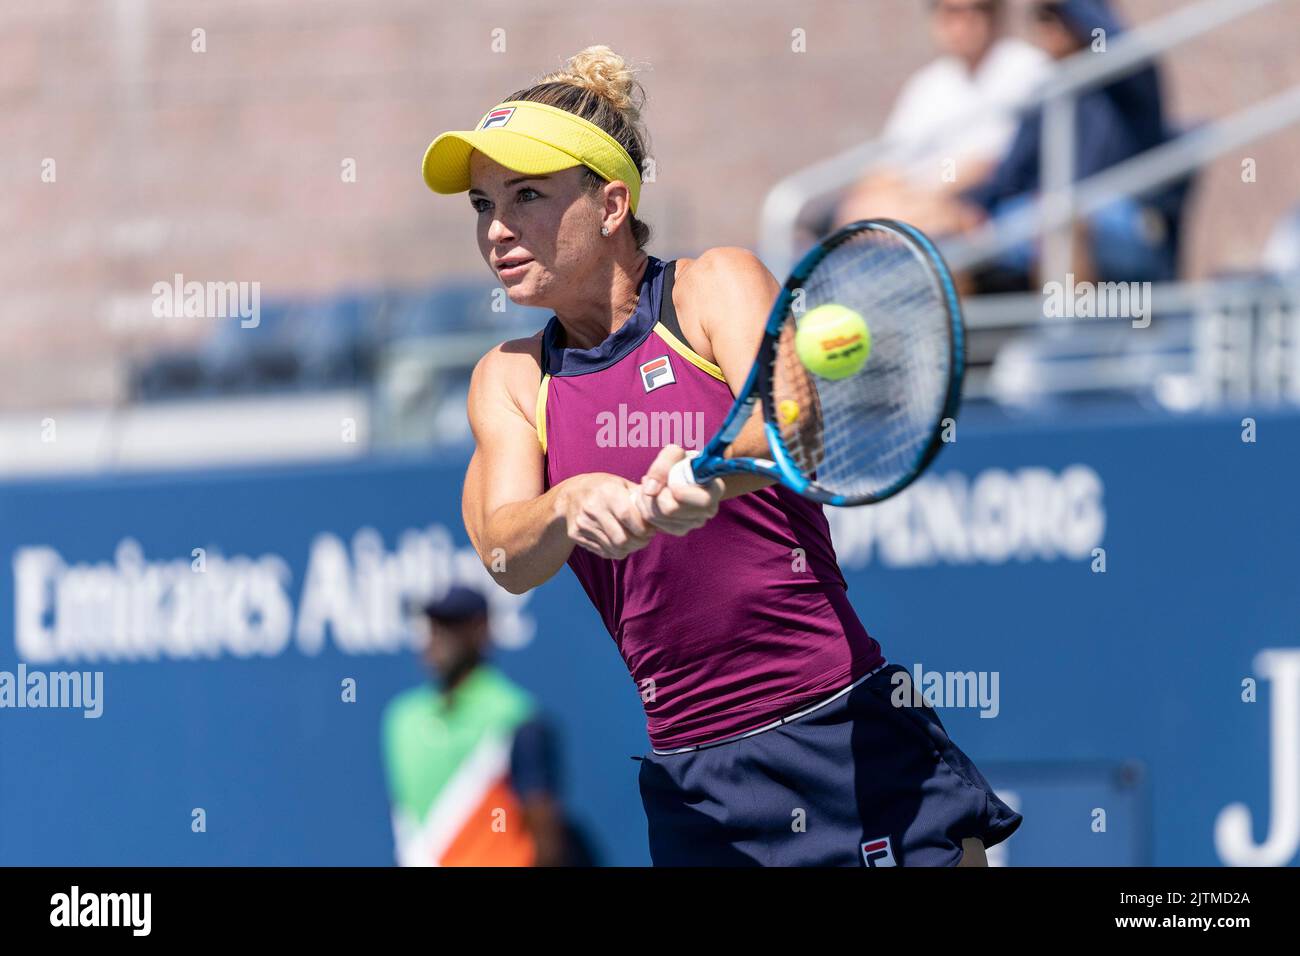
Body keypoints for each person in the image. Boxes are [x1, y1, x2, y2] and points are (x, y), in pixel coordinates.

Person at [422, 45, 1021, 866]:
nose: (497, 228)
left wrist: (699, 477)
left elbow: (789, 425)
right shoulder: (511, 379)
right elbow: (504, 549)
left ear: (610, 204)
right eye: (484, 203)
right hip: (698, 782)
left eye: (527, 196)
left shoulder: (715, 287)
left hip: (841, 725)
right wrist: (568, 501)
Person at [954, 0, 1178, 288]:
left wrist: (1073, 7)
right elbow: (1010, 175)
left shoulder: (1128, 78)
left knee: (1061, 217)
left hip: (1123, 221)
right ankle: (958, 332)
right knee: (955, 233)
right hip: (1040, 214)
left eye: (1057, 14)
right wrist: (967, 210)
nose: (1048, 25)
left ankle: (1062, 332)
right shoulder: (1046, 94)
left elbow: (1114, 37)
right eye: (1041, 16)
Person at [380, 585, 594, 866]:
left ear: (481, 630)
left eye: (451, 624)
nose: (436, 636)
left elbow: (545, 836)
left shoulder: (516, 717)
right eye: (433, 625)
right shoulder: (401, 719)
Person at [834, 0, 1050, 234]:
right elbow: (886, 164)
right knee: (858, 213)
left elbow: (992, 161)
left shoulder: (1025, 66)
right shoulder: (928, 83)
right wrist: (889, 198)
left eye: (979, 9)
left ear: (998, 14)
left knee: (933, 224)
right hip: (919, 203)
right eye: (953, 12)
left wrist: (923, 198)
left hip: (984, 203)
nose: (965, 22)